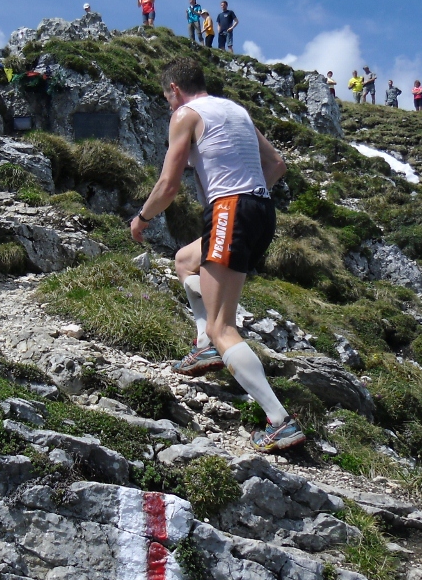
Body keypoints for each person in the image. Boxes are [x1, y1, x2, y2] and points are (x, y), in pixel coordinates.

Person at [130, 57, 305, 454]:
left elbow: (169, 184)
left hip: (230, 209)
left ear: (175, 89)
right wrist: (248, 195)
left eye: (167, 97)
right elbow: (277, 164)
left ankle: (279, 421)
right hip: (261, 209)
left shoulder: (186, 115)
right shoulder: (236, 111)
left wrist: (142, 219)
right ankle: (204, 345)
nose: (169, 105)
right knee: (185, 260)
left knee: (222, 326)